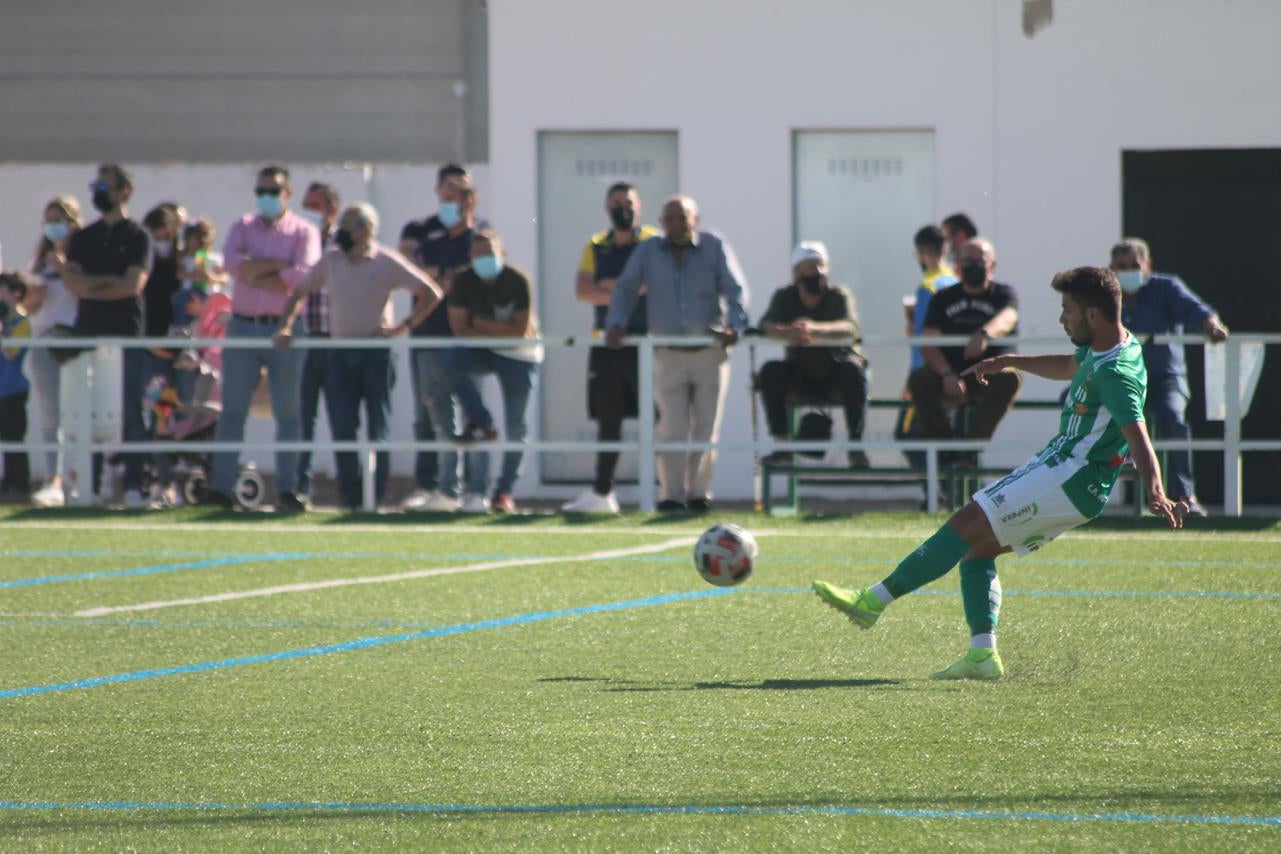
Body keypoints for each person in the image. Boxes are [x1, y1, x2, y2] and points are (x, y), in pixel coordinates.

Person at [814, 266, 1189, 680]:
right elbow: (1069, 364)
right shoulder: (1110, 346)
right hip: (1066, 474)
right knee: (978, 550)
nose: (1062, 318)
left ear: (1094, 316)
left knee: (964, 522)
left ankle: (871, 602)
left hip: (1069, 476)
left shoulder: (1115, 372)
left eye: (1068, 310)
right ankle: (982, 655)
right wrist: (1009, 360)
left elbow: (1137, 432)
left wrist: (1155, 488)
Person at [276, 203, 442, 510]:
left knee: (378, 428)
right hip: (339, 354)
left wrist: (403, 328)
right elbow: (299, 291)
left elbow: (430, 292)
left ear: (365, 230)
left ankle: (373, 499)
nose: (340, 233)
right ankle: (351, 499)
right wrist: (285, 326)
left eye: (347, 226)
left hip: (376, 354)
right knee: (343, 428)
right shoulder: (331, 260)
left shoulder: (385, 261)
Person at [605, 195, 749, 513]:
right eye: (670, 217)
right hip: (668, 352)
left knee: (706, 426)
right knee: (672, 425)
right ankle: (670, 494)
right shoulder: (648, 251)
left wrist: (734, 327)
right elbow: (626, 288)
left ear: (696, 220)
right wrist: (616, 323)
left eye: (683, 217)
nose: (677, 223)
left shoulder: (715, 246)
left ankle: (699, 494)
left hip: (710, 351)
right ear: (661, 221)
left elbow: (735, 290)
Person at [208, 164, 321, 512]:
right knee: (232, 411)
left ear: (287, 194)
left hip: (284, 327)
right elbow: (231, 264)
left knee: (289, 412)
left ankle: (288, 489)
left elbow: (302, 276)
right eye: (261, 191)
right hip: (242, 324)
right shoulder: (242, 226)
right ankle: (222, 488)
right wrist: (275, 271)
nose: (266, 198)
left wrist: (255, 272)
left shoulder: (304, 230)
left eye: (273, 191)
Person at [562, 181, 661, 514]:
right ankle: (603, 491)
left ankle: (667, 490)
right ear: (606, 207)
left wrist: (609, 286)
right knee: (608, 419)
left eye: (629, 202)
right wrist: (626, 290)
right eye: (617, 202)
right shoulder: (596, 245)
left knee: (658, 417)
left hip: (646, 343)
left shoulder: (652, 241)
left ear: (640, 206)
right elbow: (583, 290)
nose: (623, 208)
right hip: (606, 343)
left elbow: (652, 285)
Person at [1110, 238, 1228, 516]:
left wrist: (1211, 325)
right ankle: (1090, 495)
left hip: (1165, 379)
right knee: (1089, 409)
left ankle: (1185, 496)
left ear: (1148, 266)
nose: (1128, 271)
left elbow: (1195, 310)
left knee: (1173, 418)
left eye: (1134, 265)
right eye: (1121, 266)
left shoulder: (1166, 287)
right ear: (1111, 269)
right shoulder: (1105, 295)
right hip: (1120, 381)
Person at [62, 163, 153, 507]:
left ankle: (134, 486)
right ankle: (91, 486)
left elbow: (133, 285)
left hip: (126, 335)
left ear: (124, 191)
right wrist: (104, 286)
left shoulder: (138, 236)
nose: (99, 192)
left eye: (105, 186)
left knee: (131, 413)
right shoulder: (84, 237)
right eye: (95, 186)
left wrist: (92, 286)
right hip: (89, 335)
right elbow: (72, 282)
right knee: (89, 413)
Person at [400, 173, 482, 512]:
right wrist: (440, 277)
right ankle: (435, 486)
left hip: (465, 340)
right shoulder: (428, 237)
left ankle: (473, 490)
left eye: (457, 198)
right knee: (430, 415)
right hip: (429, 337)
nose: (449, 206)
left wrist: (445, 277)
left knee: (471, 415)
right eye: (445, 197)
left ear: (469, 200)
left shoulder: (478, 239)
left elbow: (463, 278)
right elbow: (415, 276)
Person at [447, 230, 542, 514]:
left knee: (517, 426)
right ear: (470, 257)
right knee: (449, 359)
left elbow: (519, 331)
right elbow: (459, 330)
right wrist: (496, 331)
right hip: (484, 349)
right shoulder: (463, 281)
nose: (484, 258)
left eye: (490, 252)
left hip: (520, 355)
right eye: (478, 253)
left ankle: (504, 492)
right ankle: (482, 420)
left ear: (503, 254)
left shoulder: (517, 280)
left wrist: (481, 326)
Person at [907, 237, 1020, 466]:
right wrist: (947, 374)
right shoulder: (943, 298)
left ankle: (970, 449)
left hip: (990, 374)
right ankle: (946, 450)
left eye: (980, 261)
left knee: (1010, 378)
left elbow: (1008, 317)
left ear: (993, 265)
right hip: (951, 374)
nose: (973, 266)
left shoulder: (1003, 294)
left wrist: (984, 335)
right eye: (967, 261)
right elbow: (928, 342)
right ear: (957, 264)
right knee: (919, 379)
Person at [757, 241, 870, 468]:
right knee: (770, 371)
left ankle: (856, 449)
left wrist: (814, 330)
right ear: (796, 272)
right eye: (810, 266)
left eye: (821, 265)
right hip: (800, 373)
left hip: (836, 373)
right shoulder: (784, 296)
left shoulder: (839, 294)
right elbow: (764, 326)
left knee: (853, 370)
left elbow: (850, 327)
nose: (817, 272)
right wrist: (789, 332)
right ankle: (782, 446)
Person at [25, 195, 82, 507]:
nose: (53, 227)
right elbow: (28, 307)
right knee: (51, 414)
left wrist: (65, 270)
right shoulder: (40, 260)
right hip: (44, 339)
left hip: (73, 340)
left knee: (78, 413)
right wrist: (32, 296)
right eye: (48, 221)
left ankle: (78, 477)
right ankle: (53, 480)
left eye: (59, 220)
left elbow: (85, 292)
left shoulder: (82, 255)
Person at [295, 181, 340, 501]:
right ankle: (300, 487)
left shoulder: (344, 243)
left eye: (316, 205)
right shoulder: (298, 242)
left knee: (342, 418)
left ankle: (350, 491)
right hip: (305, 339)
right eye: (306, 205)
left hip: (337, 341)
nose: (310, 212)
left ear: (331, 208)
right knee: (301, 418)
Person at [0, 272, 33, 502]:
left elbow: (12, 353)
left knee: (14, 437)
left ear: (16, 294)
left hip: (14, 389)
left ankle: (20, 485)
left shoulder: (22, 324)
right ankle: (7, 482)